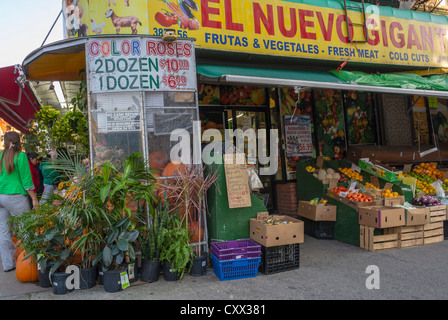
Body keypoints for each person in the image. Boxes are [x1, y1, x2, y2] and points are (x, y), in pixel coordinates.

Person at [0, 132, 38, 272]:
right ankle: (31, 262)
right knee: (26, 228)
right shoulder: (21, 156)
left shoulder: (0, 156)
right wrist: (34, 198)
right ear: (19, 141)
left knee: (3, 232)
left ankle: (8, 264)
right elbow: (27, 181)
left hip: (0, 196)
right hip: (15, 196)